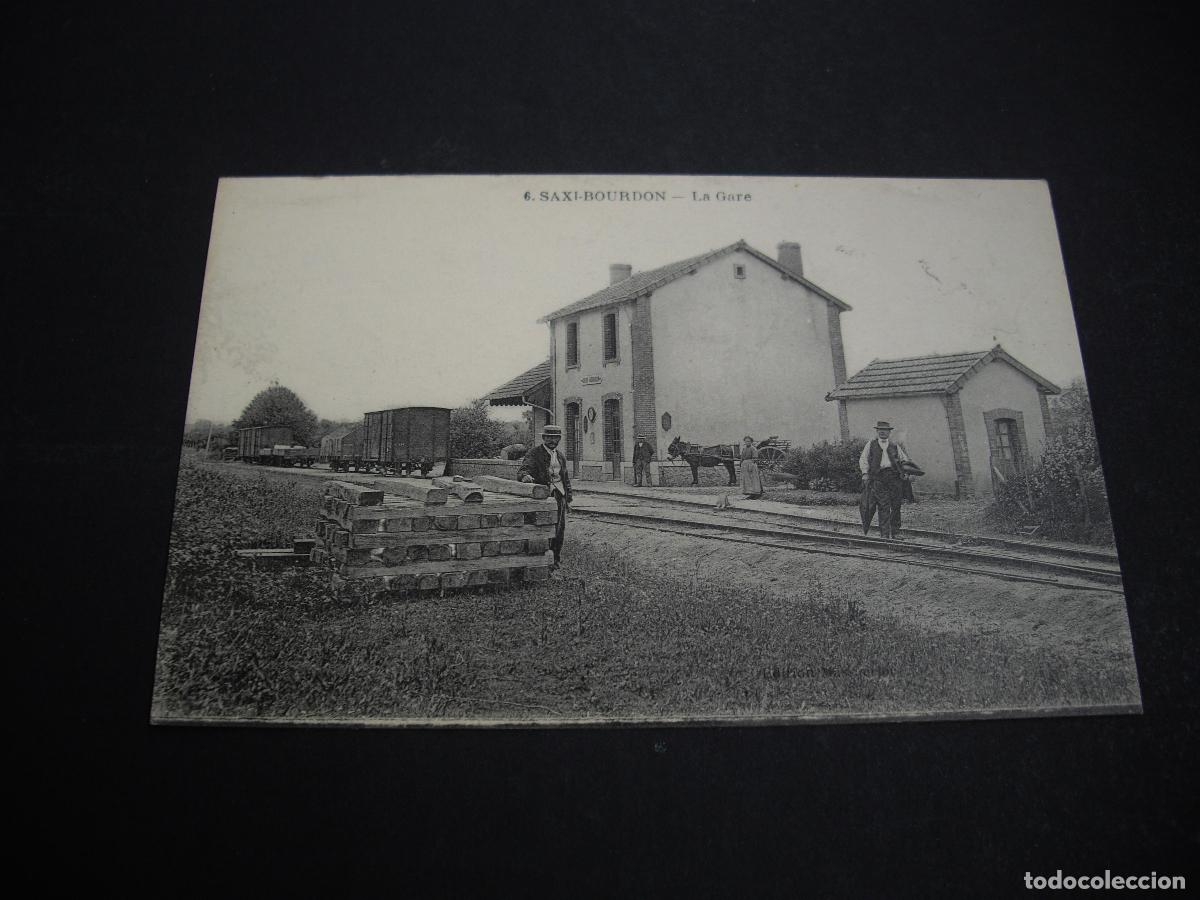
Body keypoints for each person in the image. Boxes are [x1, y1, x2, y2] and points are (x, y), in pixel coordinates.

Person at [517, 424, 572, 568]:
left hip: (559, 495)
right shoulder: (534, 453)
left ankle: (555, 560)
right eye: (549, 437)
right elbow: (524, 469)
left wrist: (568, 497)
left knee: (559, 529)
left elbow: (565, 478)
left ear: (559, 439)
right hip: (543, 496)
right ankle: (541, 559)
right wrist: (525, 476)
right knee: (543, 528)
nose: (553, 441)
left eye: (556, 438)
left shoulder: (560, 456)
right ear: (544, 438)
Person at [858, 421, 910, 539]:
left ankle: (895, 532)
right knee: (883, 506)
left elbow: (904, 460)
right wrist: (865, 473)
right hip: (878, 479)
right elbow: (863, 460)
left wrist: (906, 472)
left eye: (885, 430)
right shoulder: (870, 445)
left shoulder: (894, 446)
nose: (882, 432)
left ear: (889, 432)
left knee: (896, 506)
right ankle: (885, 534)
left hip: (894, 478)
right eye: (880, 430)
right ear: (877, 431)